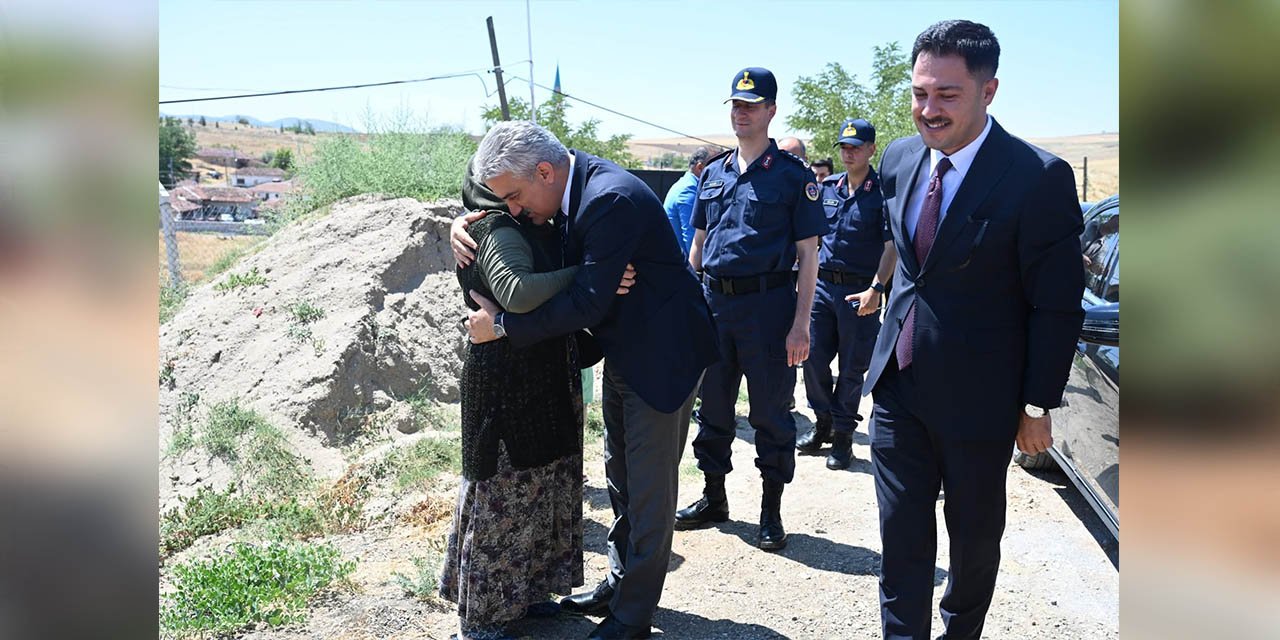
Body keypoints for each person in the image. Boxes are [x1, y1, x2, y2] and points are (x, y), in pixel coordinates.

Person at [452, 121, 717, 640]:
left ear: (544, 172)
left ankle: (632, 617)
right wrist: (461, 224)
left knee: (649, 493)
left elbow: (587, 303)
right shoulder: (566, 189)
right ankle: (619, 585)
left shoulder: (608, 198)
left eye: (515, 197)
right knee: (621, 477)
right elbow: (482, 185)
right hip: (626, 351)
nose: (513, 211)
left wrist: (502, 327)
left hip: (663, 359)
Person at [864, 20, 1085, 639]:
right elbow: (911, 264)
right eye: (919, 93)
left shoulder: (1036, 177)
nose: (928, 109)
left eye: (946, 94)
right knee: (900, 536)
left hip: (981, 400)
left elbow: (1056, 307)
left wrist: (1036, 405)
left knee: (973, 537)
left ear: (989, 91)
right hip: (899, 385)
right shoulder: (899, 158)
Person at [440, 162, 602, 640]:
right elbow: (518, 294)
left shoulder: (533, 224)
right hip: (507, 383)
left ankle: (525, 594)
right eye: (506, 191)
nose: (516, 201)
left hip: (541, 374)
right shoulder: (493, 228)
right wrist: (589, 277)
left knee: (542, 484)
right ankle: (484, 617)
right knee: (502, 492)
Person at [674, 67, 827, 551]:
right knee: (713, 408)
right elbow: (698, 246)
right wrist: (687, 306)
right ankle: (713, 497)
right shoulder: (714, 172)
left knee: (770, 413)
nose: (741, 113)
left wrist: (801, 324)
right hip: (714, 305)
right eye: (736, 105)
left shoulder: (792, 177)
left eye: (751, 105)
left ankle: (770, 510)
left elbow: (809, 256)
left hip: (769, 309)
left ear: (771, 111)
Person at [796, 117, 896, 471]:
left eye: (856, 147)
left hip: (860, 291)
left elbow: (891, 248)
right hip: (822, 288)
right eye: (844, 147)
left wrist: (876, 289)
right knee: (811, 358)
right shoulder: (827, 187)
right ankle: (823, 421)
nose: (848, 153)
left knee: (852, 368)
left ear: (871, 149)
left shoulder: (882, 194)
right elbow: (812, 240)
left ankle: (842, 437)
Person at [663, 145, 717, 255]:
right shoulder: (689, 191)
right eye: (716, 167)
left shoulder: (684, 184)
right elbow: (692, 240)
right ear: (700, 168)